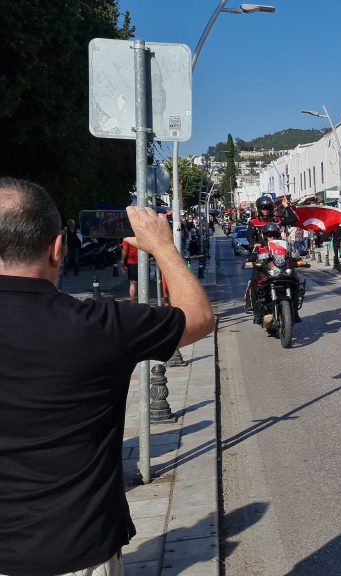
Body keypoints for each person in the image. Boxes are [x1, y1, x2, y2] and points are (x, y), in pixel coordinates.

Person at [0, 177, 215, 576]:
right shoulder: (98, 325)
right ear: (57, 249)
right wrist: (163, 247)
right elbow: (199, 318)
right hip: (72, 551)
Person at [121, 236, 139, 301]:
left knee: (133, 283)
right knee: (142, 281)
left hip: (132, 262)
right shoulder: (143, 236)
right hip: (143, 261)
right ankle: (142, 299)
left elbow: (124, 250)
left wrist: (122, 262)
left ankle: (133, 301)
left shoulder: (127, 239)